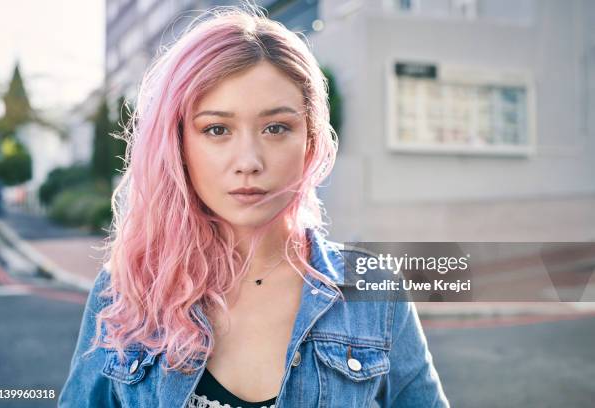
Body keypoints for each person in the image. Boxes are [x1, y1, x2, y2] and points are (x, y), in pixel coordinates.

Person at [59, 3, 449, 407]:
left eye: (276, 128)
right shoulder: (124, 292)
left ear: (310, 142)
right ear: (178, 145)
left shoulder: (375, 294)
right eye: (216, 129)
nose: (249, 161)